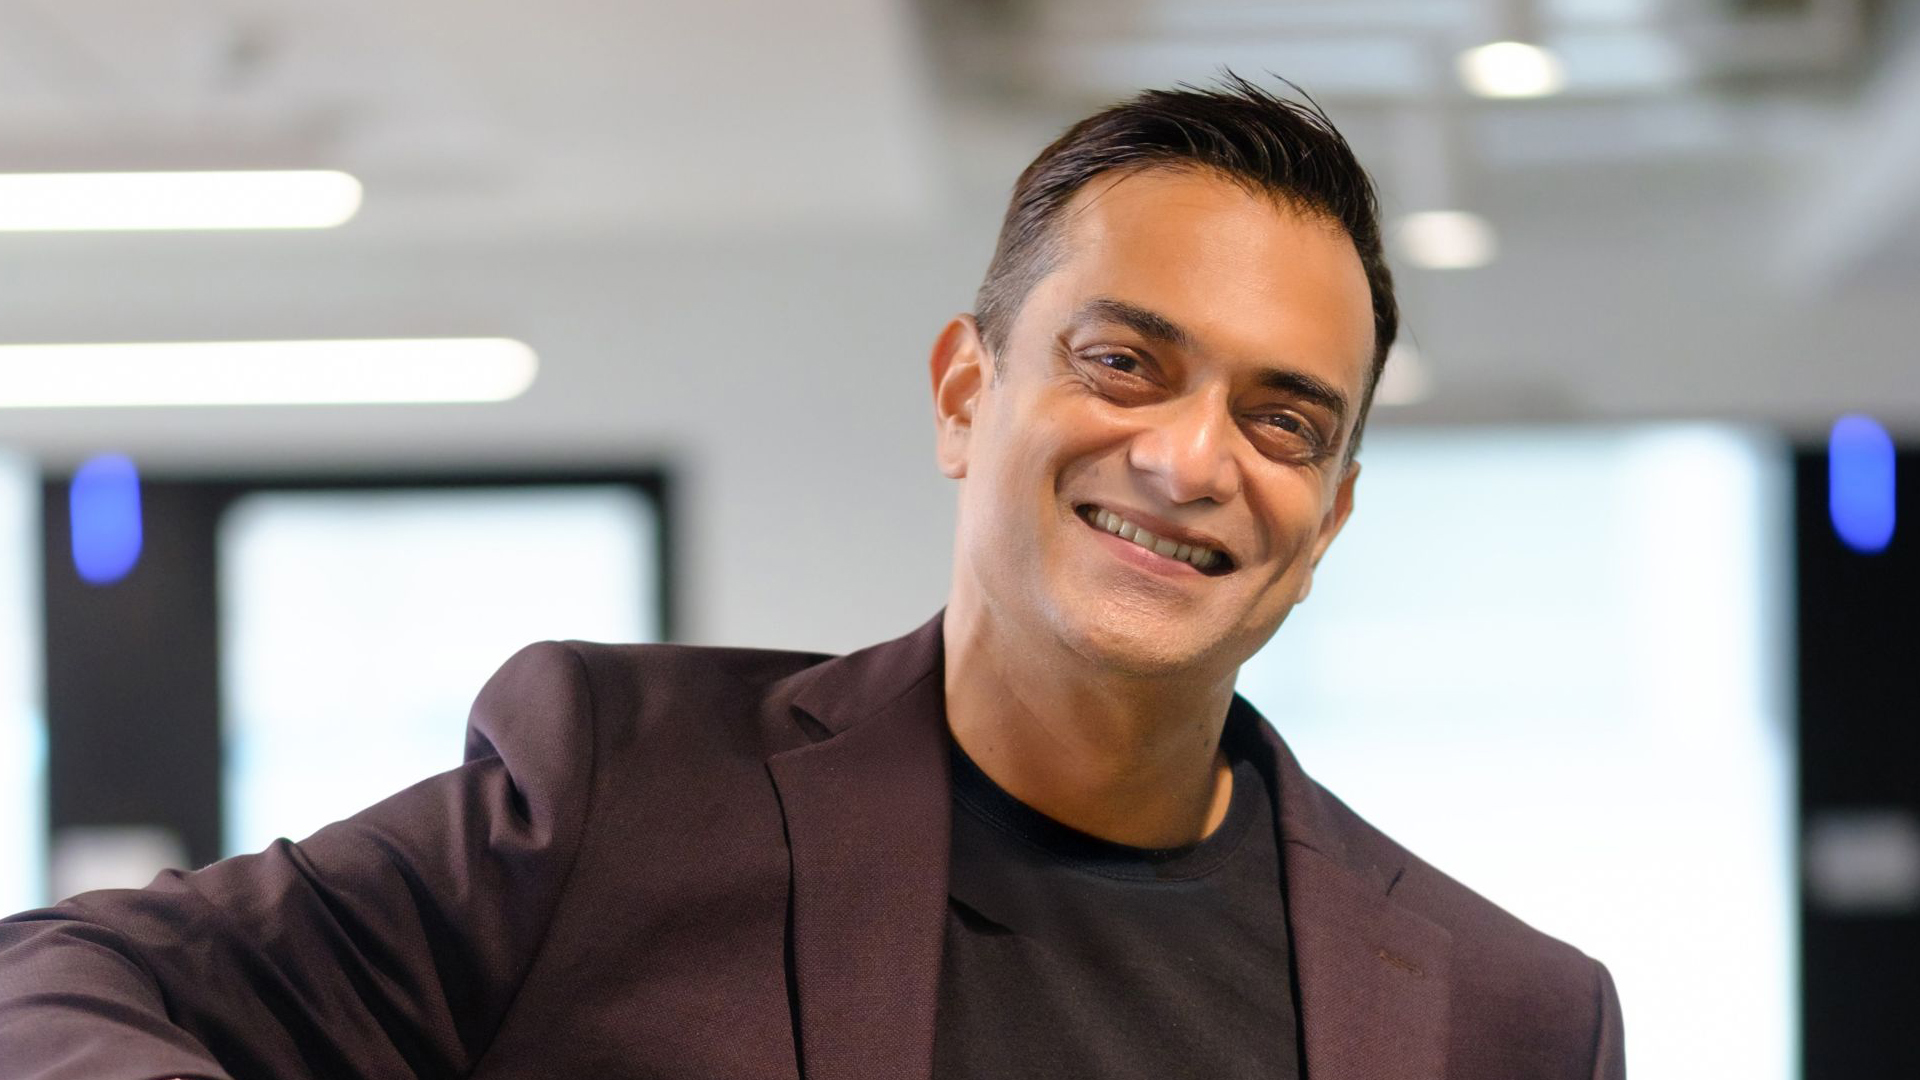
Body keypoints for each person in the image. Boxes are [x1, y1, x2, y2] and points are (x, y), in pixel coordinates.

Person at [0, 74, 1625, 1080]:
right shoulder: (622, 801)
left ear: (1328, 520)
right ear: (966, 395)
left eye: (1284, 421)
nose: (1194, 459)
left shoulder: (1512, 1021)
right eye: (1125, 362)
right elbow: (59, 979)